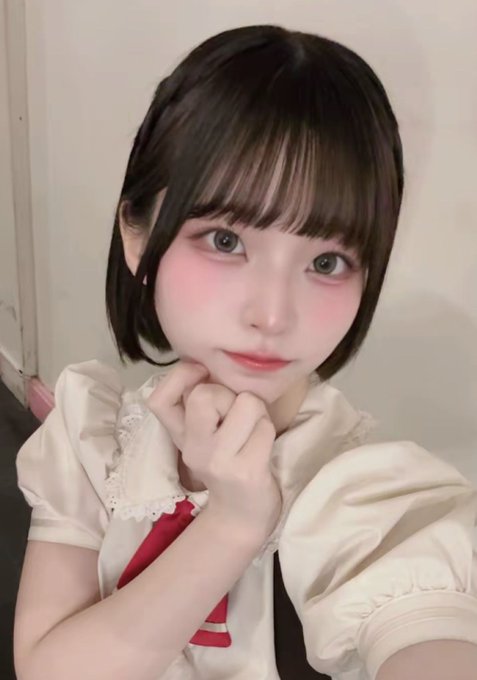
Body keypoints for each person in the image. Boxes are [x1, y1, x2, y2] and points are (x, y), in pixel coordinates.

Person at [13, 24, 477, 680]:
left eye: (326, 261)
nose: (273, 315)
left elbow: (426, 628)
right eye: (226, 241)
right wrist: (231, 526)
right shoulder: (92, 434)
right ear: (136, 237)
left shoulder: (363, 497)